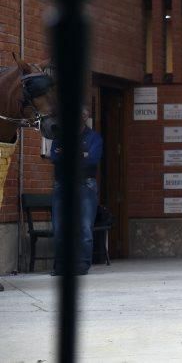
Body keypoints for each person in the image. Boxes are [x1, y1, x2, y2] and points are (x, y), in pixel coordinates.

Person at [50, 106, 103, 276]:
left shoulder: (94, 137)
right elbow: (55, 158)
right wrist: (81, 154)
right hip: (62, 185)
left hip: (85, 185)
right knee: (59, 227)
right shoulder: (59, 136)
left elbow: (92, 160)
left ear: (85, 117)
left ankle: (83, 265)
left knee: (84, 227)